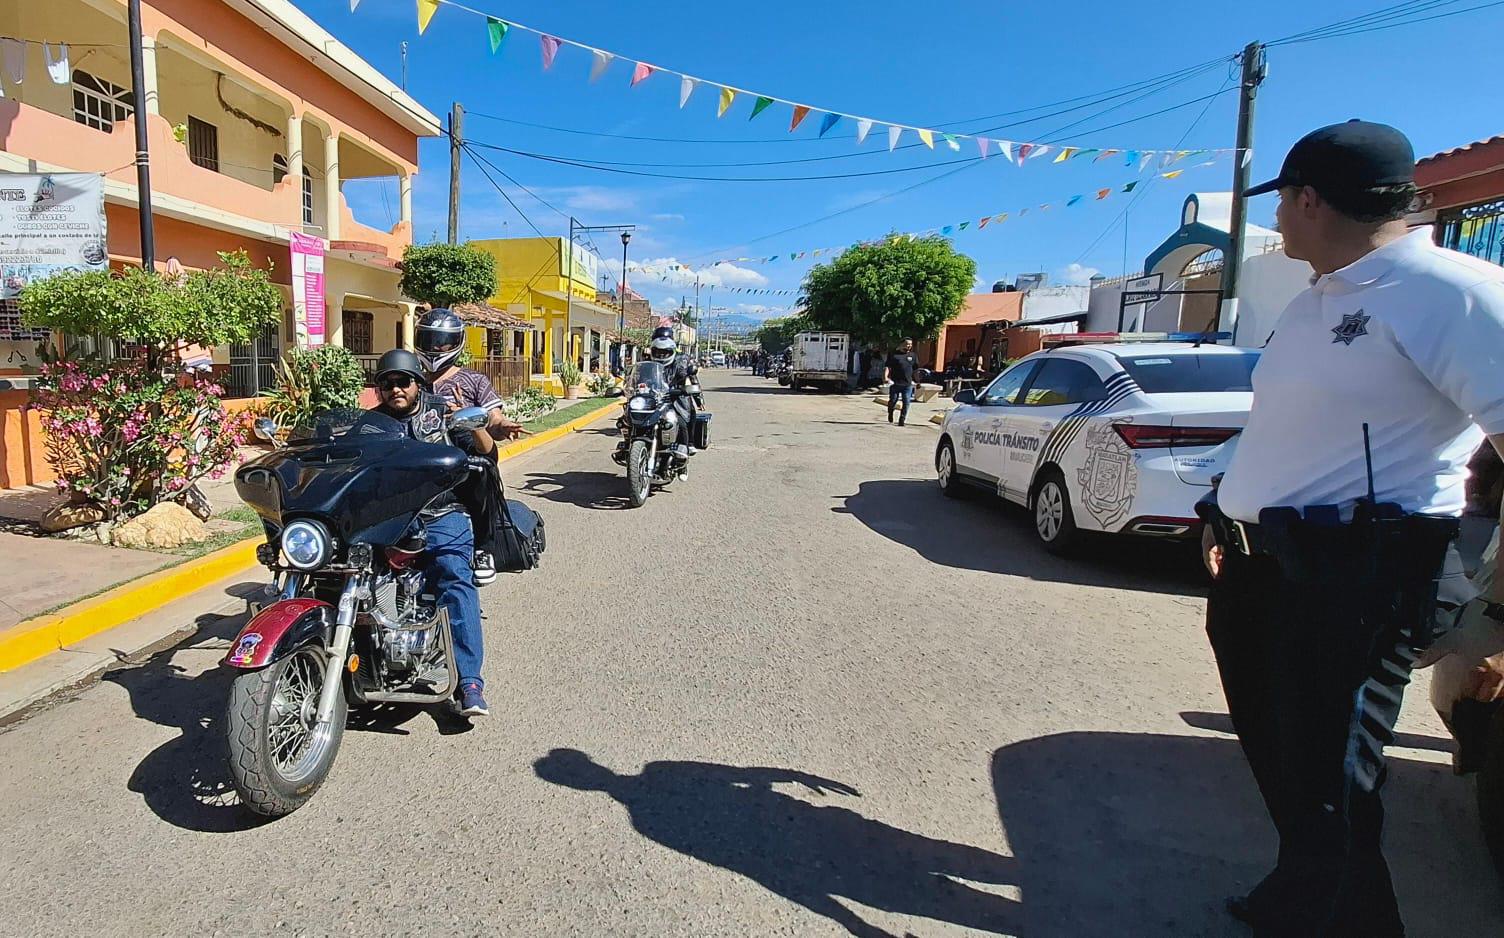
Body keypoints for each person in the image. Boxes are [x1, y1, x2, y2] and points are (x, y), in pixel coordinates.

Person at [1199, 121, 1504, 935]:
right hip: (1262, 570)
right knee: (1287, 764)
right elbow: (1287, 427)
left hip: (1354, 579)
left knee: (1334, 783)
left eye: (1285, 207)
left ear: (1310, 200)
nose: (1282, 224)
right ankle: (1299, 897)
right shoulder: (1319, 297)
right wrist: (1226, 508)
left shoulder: (1453, 290)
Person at [370, 349, 496, 718]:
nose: (396, 389)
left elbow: (489, 454)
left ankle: (470, 681)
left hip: (442, 513)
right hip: (390, 517)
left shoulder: (441, 414)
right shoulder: (371, 424)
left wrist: (472, 425)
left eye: (403, 381)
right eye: (387, 383)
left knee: (455, 579)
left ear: (417, 384)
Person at [413, 308, 529, 585]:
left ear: (456, 343)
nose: (434, 348)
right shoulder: (410, 380)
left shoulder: (474, 380)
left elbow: (495, 419)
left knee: (483, 472)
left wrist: (499, 425)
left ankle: (483, 549)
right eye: (429, 340)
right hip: (417, 451)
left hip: (462, 451)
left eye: (442, 342)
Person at [648, 325, 700, 463]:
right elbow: (639, 374)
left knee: (684, 417)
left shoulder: (682, 360)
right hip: (654, 394)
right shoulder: (647, 359)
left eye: (664, 352)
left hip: (676, 394)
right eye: (658, 352)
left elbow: (692, 378)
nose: (661, 354)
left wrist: (697, 395)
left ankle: (687, 445)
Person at [884, 338, 918, 426]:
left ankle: (902, 419)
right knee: (893, 401)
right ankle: (890, 412)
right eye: (907, 344)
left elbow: (915, 370)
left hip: (907, 384)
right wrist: (885, 377)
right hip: (896, 383)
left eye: (910, 344)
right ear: (902, 344)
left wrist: (918, 381)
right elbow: (888, 367)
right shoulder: (894, 355)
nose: (909, 346)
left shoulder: (913, 355)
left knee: (906, 402)